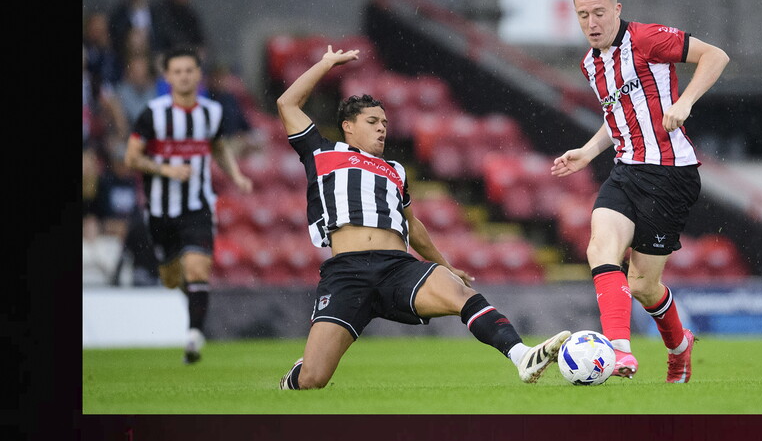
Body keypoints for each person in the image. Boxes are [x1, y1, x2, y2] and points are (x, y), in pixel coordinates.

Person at [276, 45, 570, 390]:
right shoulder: (323, 152)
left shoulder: (395, 169)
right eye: (372, 122)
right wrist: (325, 63)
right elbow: (286, 104)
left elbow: (412, 225)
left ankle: (522, 356)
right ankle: (297, 374)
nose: (382, 129)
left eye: (385, 123)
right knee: (314, 378)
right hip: (348, 272)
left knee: (460, 293)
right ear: (348, 127)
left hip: (396, 267)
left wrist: (444, 265)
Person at [551, 0, 730, 383]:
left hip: (671, 174)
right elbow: (618, 117)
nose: (592, 23)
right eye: (583, 16)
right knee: (600, 246)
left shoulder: (647, 38)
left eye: (599, 13)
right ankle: (619, 350)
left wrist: (684, 102)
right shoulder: (590, 64)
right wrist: (589, 150)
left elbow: (716, 56)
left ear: (616, 9)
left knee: (645, 285)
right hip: (626, 169)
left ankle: (679, 348)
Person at [124, 47, 253, 363]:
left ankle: (194, 337)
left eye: (189, 70)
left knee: (198, 267)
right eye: (177, 71)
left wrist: (236, 175)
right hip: (160, 210)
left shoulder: (211, 112)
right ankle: (189, 299)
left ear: (198, 75)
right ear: (167, 77)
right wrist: (164, 169)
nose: (183, 76)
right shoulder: (152, 113)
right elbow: (131, 158)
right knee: (170, 277)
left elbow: (219, 147)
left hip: (197, 205)